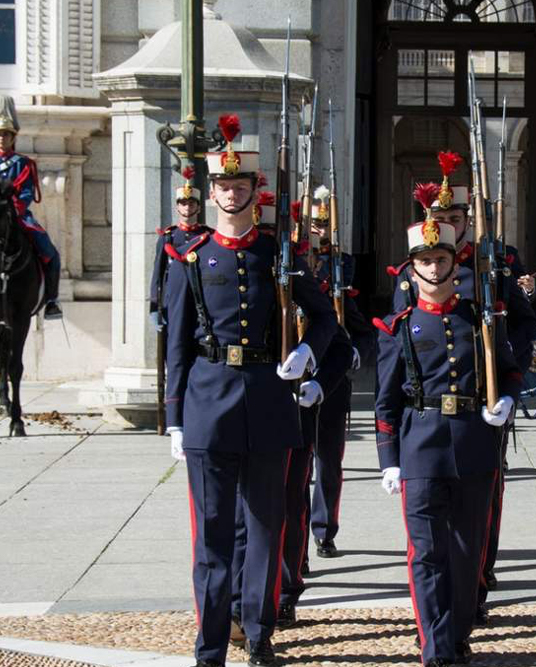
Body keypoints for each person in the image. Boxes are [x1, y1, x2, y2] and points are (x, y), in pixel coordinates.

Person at [164, 114, 350, 667]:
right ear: (212, 191)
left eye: (239, 186)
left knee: (266, 530)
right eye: (222, 186)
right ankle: (211, 645)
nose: (229, 194)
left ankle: (259, 631)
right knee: (213, 537)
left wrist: (306, 353)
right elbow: (176, 342)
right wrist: (173, 416)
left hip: (269, 402)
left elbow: (326, 320)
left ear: (253, 192)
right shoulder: (191, 258)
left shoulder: (278, 255)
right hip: (208, 404)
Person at [374, 185, 523, 667]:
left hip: (474, 444)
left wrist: (509, 402)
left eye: (442, 259)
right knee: (426, 554)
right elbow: (386, 401)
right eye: (426, 261)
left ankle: (457, 635)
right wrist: (388, 459)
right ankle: (435, 647)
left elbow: (511, 369)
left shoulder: (481, 319)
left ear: (454, 263)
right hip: (422, 446)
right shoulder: (399, 328)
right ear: (412, 268)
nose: (435, 268)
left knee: (466, 553)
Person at [389, 151, 536, 621]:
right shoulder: (416, 268)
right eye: (440, 217)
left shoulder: (496, 265)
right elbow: (402, 337)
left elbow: (524, 321)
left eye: (455, 217)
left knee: (483, 502)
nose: (448, 223)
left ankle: (477, 579)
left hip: (483, 399)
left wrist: (498, 361)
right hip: (433, 414)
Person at [276, 187, 376, 628]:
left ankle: (323, 530)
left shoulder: (341, 269)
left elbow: (361, 328)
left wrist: (353, 353)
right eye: (309, 228)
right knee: (291, 478)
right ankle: (295, 556)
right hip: (287, 388)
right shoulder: (287, 270)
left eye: (321, 227)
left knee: (328, 462)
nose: (315, 235)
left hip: (330, 382)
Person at [0, 96, 62, 319]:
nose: (1, 138)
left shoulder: (22, 164)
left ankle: (52, 300)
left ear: (12, 137)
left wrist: (13, 210)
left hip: (17, 216)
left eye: (5, 134)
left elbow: (26, 193)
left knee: (50, 253)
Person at [150, 166, 212, 322]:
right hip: (174, 296)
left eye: (191, 204)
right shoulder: (168, 237)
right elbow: (158, 273)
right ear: (177, 207)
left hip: (202, 295)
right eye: (183, 203)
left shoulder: (208, 235)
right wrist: (154, 307)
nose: (187, 207)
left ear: (198, 207)